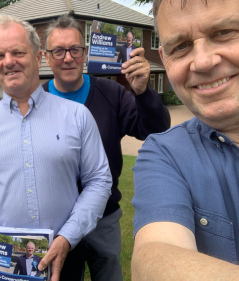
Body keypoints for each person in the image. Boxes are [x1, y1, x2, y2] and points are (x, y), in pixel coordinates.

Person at [0, 14, 112, 281]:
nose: (8, 61)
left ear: (38, 57)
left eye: (18, 52)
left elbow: (98, 181)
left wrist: (68, 237)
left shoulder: (77, 116)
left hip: (62, 259)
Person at [43, 15, 170, 281]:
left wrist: (143, 92)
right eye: (58, 51)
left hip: (104, 217)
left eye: (75, 49)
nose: (68, 57)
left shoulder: (111, 93)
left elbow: (154, 129)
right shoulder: (36, 101)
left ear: (85, 53)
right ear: (47, 57)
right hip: (57, 221)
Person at [132, 0, 239, 280]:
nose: (204, 62)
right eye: (180, 46)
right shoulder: (165, 154)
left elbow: (150, 122)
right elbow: (154, 257)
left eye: (224, 32)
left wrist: (144, 93)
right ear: (164, 56)